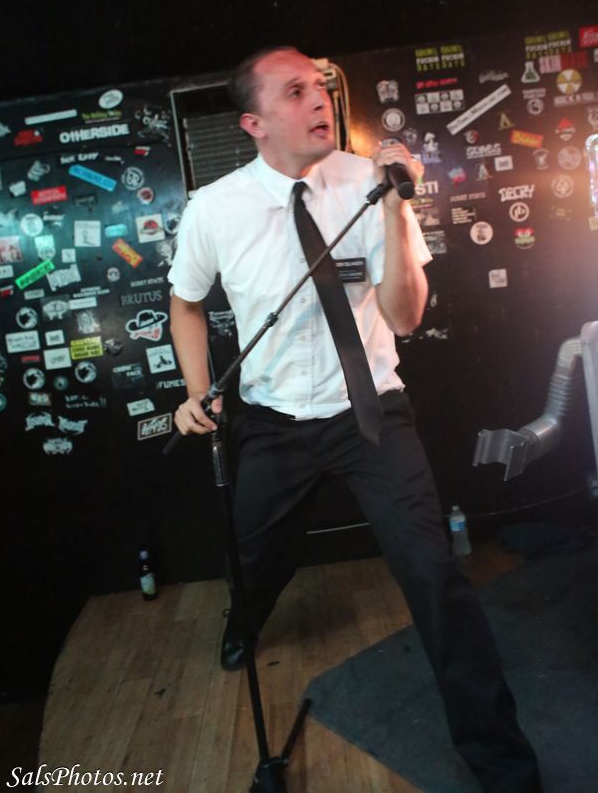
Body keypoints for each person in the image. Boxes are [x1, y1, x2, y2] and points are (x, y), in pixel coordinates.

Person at [168, 46, 542, 792]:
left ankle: (502, 764)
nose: (320, 100)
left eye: (322, 87)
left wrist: (398, 210)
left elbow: (404, 318)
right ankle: (244, 620)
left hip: (369, 412)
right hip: (273, 421)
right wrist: (197, 389)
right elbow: (185, 305)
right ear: (253, 123)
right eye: (295, 91)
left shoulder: (370, 182)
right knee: (256, 554)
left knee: (434, 576)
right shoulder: (214, 209)